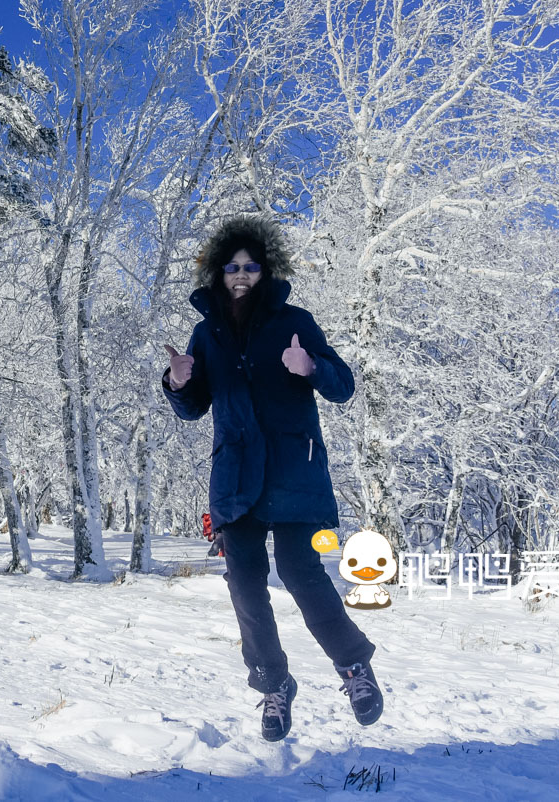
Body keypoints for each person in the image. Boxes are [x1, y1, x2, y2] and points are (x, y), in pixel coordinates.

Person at [163, 215, 382, 741]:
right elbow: (193, 408)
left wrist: (311, 368)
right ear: (220, 272)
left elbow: (343, 385)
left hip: (293, 471)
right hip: (236, 476)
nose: (241, 275)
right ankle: (272, 685)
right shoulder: (206, 331)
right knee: (243, 583)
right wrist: (177, 382)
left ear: (265, 271)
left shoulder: (296, 320)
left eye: (251, 267)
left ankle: (354, 666)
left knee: (301, 571)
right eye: (233, 267)